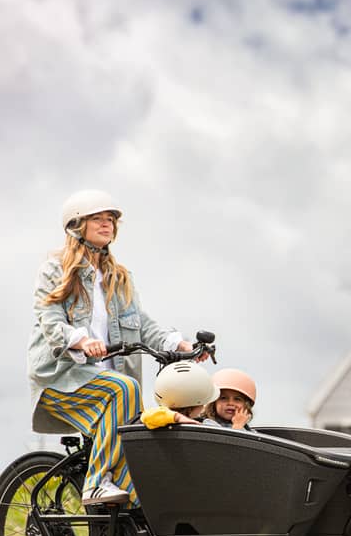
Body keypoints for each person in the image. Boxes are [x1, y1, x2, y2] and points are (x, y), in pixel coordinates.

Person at [28, 189, 202, 507]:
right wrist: (80, 340)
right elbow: (49, 320)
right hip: (61, 378)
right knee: (125, 388)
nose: (107, 224)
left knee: (142, 454)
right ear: (76, 225)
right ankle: (96, 483)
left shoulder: (118, 277)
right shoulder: (54, 270)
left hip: (107, 386)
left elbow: (143, 324)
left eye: (110, 219)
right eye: (98, 218)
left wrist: (179, 344)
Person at [140, 361, 220, 428]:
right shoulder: (207, 426)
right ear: (196, 406)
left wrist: (176, 417)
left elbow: (145, 416)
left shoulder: (152, 423)